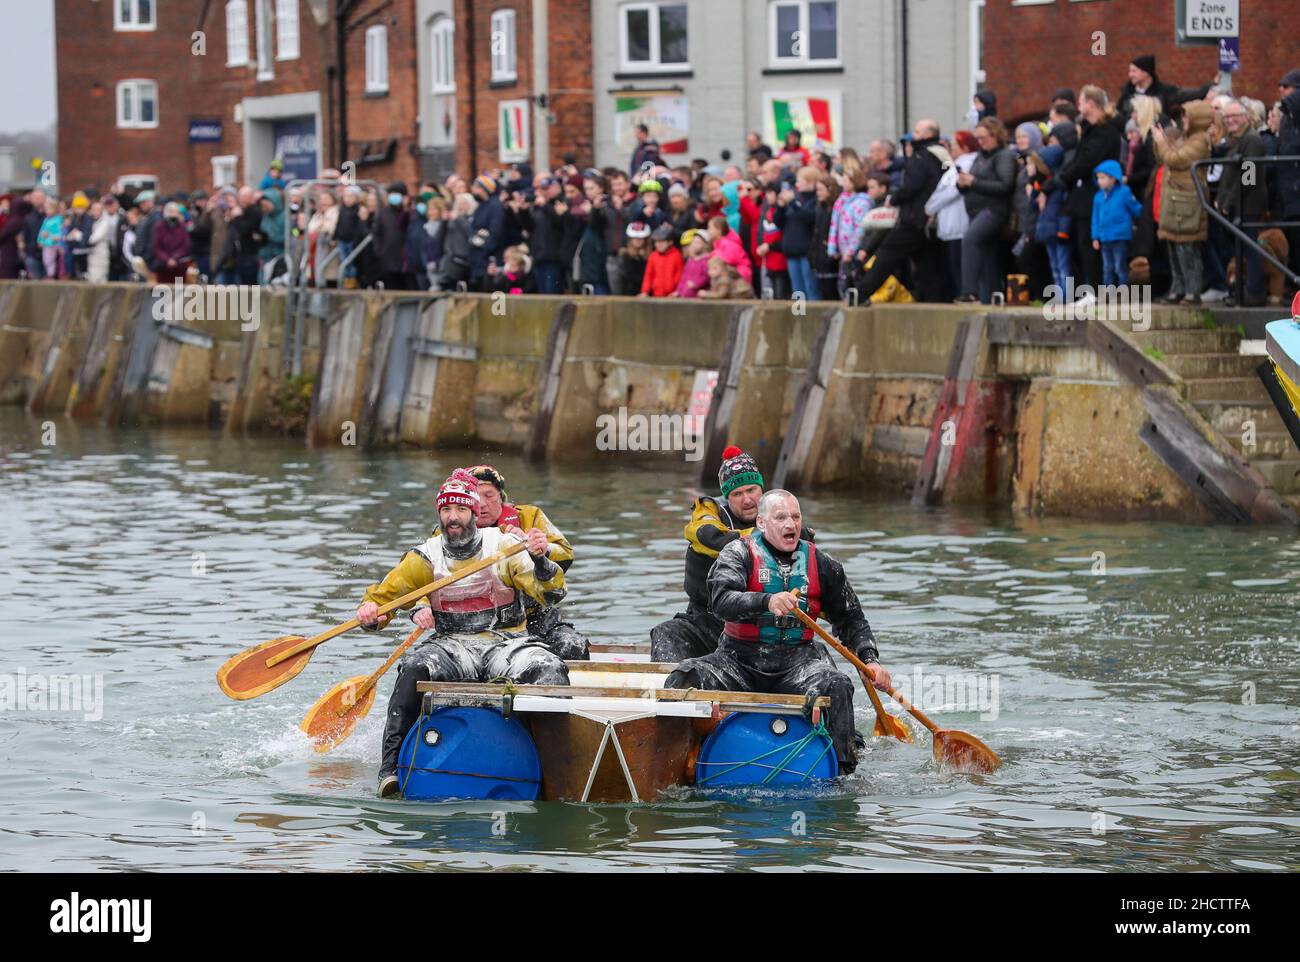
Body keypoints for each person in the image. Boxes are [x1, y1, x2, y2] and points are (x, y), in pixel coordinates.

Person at [358, 469, 570, 797]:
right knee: (414, 666)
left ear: (473, 512)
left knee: (550, 670)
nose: (453, 518)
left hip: (506, 643)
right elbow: (383, 600)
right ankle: (390, 769)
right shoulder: (424, 556)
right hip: (452, 646)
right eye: (446, 510)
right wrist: (371, 614)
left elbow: (551, 593)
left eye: (460, 510)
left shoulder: (506, 545)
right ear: (439, 514)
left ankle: (553, 770)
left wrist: (540, 560)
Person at [663, 489, 890, 776]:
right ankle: (677, 762)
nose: (790, 525)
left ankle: (843, 773)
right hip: (738, 662)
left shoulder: (822, 564)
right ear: (761, 523)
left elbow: (851, 618)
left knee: (838, 684)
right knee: (684, 677)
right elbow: (720, 601)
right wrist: (766, 601)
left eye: (796, 517)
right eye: (781, 517)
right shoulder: (738, 553)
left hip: (796, 664)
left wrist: (870, 659)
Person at [650, 447, 811, 662]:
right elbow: (709, 535)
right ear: (727, 497)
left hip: (759, 629)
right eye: (737, 494)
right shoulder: (708, 514)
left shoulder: (785, 521)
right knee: (666, 633)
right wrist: (767, 535)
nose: (746, 500)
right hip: (706, 621)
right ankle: (671, 691)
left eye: (751, 490)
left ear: (762, 490)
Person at [449, 464, 589, 660]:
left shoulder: (529, 516)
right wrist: (422, 608)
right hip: (475, 623)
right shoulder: (451, 528)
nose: (481, 504)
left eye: (489, 495)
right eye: (474, 497)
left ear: (501, 496)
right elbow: (427, 577)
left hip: (535, 615)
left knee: (572, 646)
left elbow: (565, 554)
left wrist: (542, 548)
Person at [855, 119, 946, 304]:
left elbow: (912, 186)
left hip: (915, 218)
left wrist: (894, 198)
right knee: (928, 264)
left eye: (918, 132)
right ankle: (932, 300)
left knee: (888, 254)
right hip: (932, 219)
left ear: (928, 134)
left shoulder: (922, 156)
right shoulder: (943, 155)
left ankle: (861, 292)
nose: (914, 136)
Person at [1055, 86, 1123, 292]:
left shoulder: (1104, 131)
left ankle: (1096, 289)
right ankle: (1089, 289)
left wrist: (1064, 177)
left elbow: (1087, 161)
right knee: (1082, 243)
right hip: (1084, 195)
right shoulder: (1089, 129)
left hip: (1096, 195)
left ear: (1091, 105)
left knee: (1091, 244)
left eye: (1081, 102)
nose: (1079, 107)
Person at [1154, 100, 1213, 306]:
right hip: (1175, 202)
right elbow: (1164, 157)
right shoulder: (1187, 138)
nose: (1184, 120)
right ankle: (1178, 289)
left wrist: (1162, 142)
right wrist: (1160, 139)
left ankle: (1192, 291)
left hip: (1188, 203)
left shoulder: (1199, 141)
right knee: (1174, 247)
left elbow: (1175, 158)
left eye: (1187, 116)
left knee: (1187, 249)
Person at [956, 117, 1016, 304]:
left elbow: (1005, 185)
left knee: (970, 239)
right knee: (987, 254)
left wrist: (973, 182)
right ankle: (991, 296)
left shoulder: (1004, 156)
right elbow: (973, 183)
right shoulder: (981, 157)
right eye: (977, 138)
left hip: (993, 209)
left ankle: (970, 291)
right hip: (976, 210)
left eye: (983, 137)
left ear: (995, 135)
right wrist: (963, 184)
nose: (980, 141)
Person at [1217, 99, 1269, 306]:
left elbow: (1249, 176)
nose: (1230, 121)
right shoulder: (1236, 140)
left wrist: (1228, 201)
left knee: (1250, 248)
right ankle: (1240, 291)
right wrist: (1222, 199)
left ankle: (1254, 292)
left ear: (1246, 117)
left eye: (1235, 116)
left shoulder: (1252, 140)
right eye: (1227, 117)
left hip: (1248, 205)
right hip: (1237, 205)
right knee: (1241, 248)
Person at [927, 129, 977, 301]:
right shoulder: (953, 167)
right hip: (950, 225)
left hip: (959, 223)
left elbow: (953, 190)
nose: (952, 149)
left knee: (960, 264)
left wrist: (930, 206)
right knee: (954, 265)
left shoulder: (968, 164)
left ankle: (967, 293)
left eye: (955, 145)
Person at [1090, 160, 1143, 288]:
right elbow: (1095, 218)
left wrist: (1142, 219)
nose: (1099, 181)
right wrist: (1095, 237)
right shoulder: (1098, 196)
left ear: (1113, 178)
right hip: (1105, 237)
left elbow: (1136, 209)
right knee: (1107, 267)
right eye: (1098, 178)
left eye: (1103, 177)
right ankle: (1108, 292)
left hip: (1120, 236)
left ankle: (1123, 291)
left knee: (1120, 266)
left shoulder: (1124, 192)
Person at [1030, 146, 1073, 295]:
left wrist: (1063, 230)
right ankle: (1060, 297)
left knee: (1063, 266)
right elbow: (1033, 205)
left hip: (1058, 230)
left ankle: (1067, 297)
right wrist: (1035, 186)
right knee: (1054, 266)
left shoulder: (1060, 186)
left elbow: (1066, 210)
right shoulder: (1042, 184)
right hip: (1046, 230)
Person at [467, 175, 506, 290]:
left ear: (484, 189)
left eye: (476, 187)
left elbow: (495, 232)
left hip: (487, 258)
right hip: (477, 258)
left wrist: (486, 249)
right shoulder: (481, 206)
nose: (473, 189)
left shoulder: (495, 206)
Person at [639, 222, 683, 296]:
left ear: (670, 242)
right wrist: (645, 291)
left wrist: (677, 290)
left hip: (672, 295)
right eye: (657, 242)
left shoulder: (677, 255)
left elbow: (680, 275)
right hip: (656, 294)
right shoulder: (653, 256)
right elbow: (648, 275)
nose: (659, 244)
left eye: (662, 241)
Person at [675, 228, 712, 297]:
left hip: (696, 297)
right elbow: (684, 277)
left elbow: (706, 277)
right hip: (685, 295)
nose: (695, 245)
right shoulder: (690, 260)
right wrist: (678, 290)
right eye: (694, 242)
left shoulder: (706, 260)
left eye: (698, 242)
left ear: (706, 245)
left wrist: (696, 284)